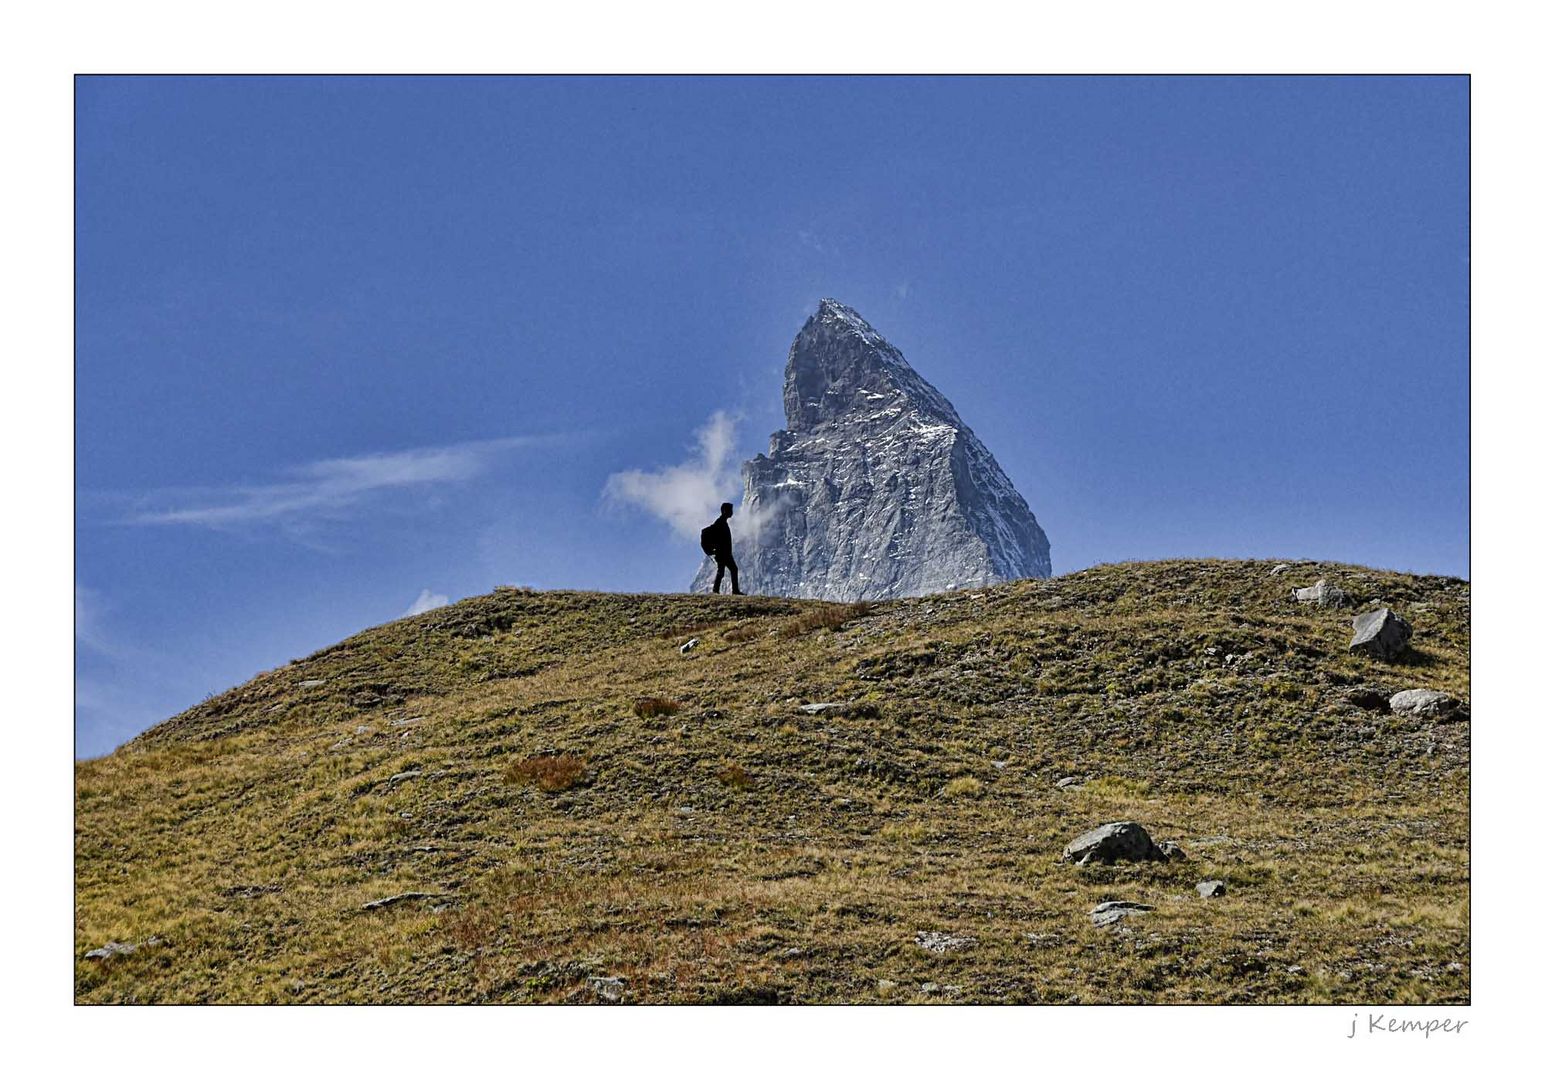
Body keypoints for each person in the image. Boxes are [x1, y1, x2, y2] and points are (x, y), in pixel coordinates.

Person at [701, 502, 742, 594]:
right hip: (723, 553)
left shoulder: (721, 522)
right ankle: (733, 591)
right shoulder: (720, 523)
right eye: (730, 510)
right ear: (724, 511)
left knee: (723, 571)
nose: (731, 512)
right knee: (732, 569)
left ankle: (717, 590)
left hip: (723, 552)